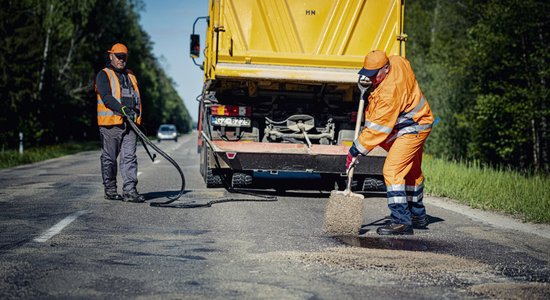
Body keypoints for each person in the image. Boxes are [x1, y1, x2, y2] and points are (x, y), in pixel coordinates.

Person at [346, 50, 435, 235]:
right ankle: (417, 216)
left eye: (374, 75)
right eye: (367, 74)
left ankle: (401, 221)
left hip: (413, 128)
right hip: (417, 121)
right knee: (412, 172)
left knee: (392, 171)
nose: (370, 79)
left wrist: (355, 151)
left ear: (386, 69)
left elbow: (377, 130)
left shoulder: (389, 92)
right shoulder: (397, 61)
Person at [95, 43, 145, 203]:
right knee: (109, 158)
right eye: (118, 57)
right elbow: (107, 98)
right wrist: (123, 109)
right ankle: (110, 190)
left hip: (131, 124)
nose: (121, 60)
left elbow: (136, 98)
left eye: (124, 57)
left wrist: (137, 118)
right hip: (111, 124)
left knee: (130, 157)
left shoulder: (131, 75)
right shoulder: (103, 75)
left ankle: (130, 191)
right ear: (111, 56)